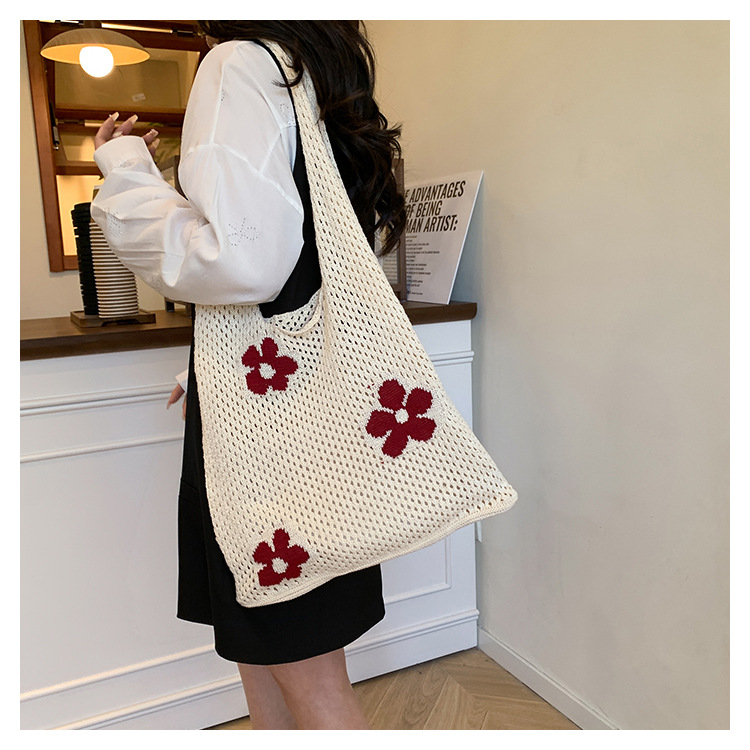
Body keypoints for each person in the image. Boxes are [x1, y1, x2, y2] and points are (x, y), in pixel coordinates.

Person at [91, 21, 405, 730]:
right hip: (297, 399)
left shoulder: (237, 64)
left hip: (265, 417)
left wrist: (127, 173)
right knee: (266, 639)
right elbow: (298, 259)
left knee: (300, 661)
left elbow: (243, 261)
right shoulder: (318, 72)